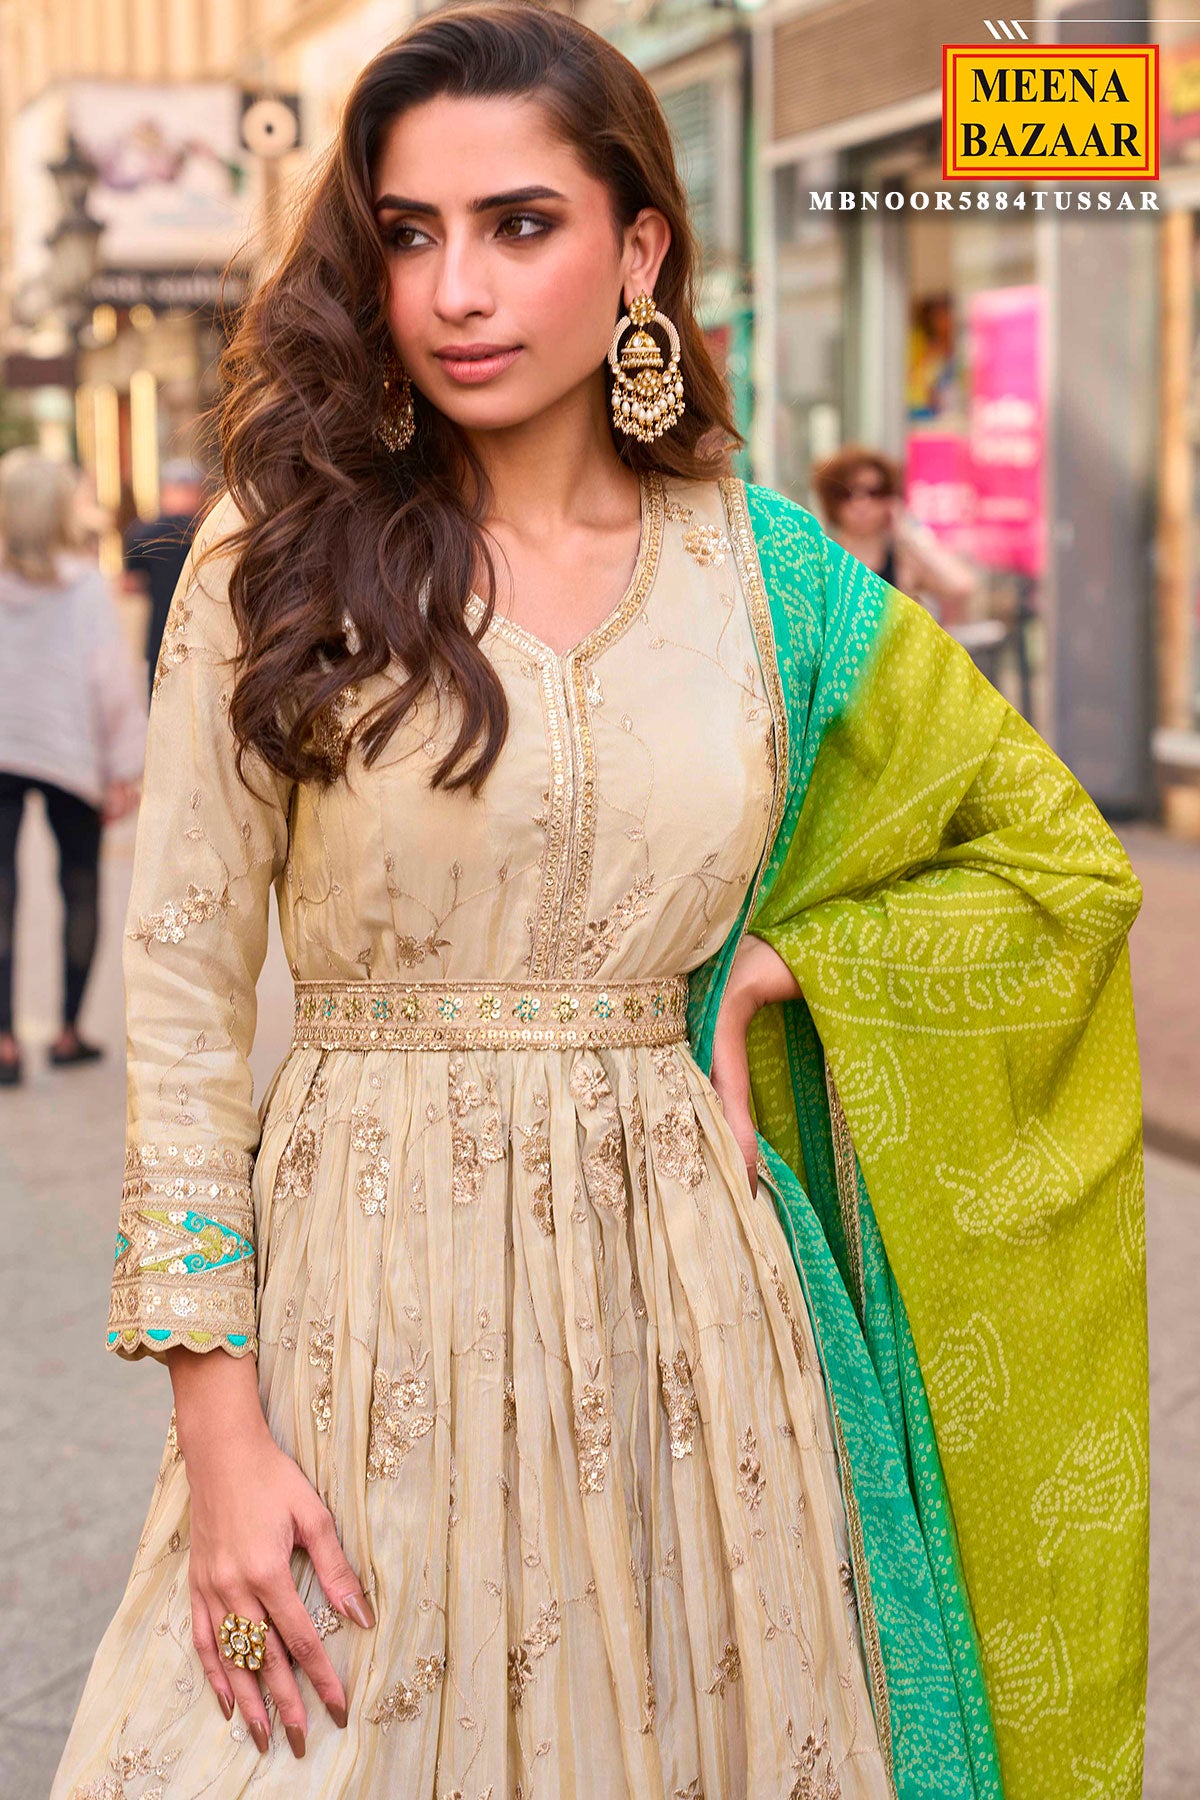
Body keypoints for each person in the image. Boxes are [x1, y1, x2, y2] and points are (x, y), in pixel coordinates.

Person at [51, 7, 1149, 1798]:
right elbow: (176, 999)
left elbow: (1051, 861)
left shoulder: (764, 574)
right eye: (411, 235)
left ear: (639, 244)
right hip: (363, 1294)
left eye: (521, 225)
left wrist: (793, 967)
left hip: (691, 1321)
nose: (458, 289)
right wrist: (218, 1420)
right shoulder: (285, 557)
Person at [0, 450, 146, 1084]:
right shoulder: (84, 582)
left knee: (1, 895)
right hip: (70, 752)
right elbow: (110, 680)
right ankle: (66, 1034)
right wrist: (125, 767)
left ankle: (3, 1043)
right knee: (80, 886)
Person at [812, 442, 977, 627]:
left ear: (889, 498)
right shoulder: (821, 559)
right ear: (831, 501)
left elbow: (960, 586)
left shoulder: (903, 561)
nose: (861, 503)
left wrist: (907, 531)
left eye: (874, 492)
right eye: (847, 493)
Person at [122, 458, 205, 700]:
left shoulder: (143, 535)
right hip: (203, 636)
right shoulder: (209, 532)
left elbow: (129, 585)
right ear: (198, 491)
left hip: (160, 635)